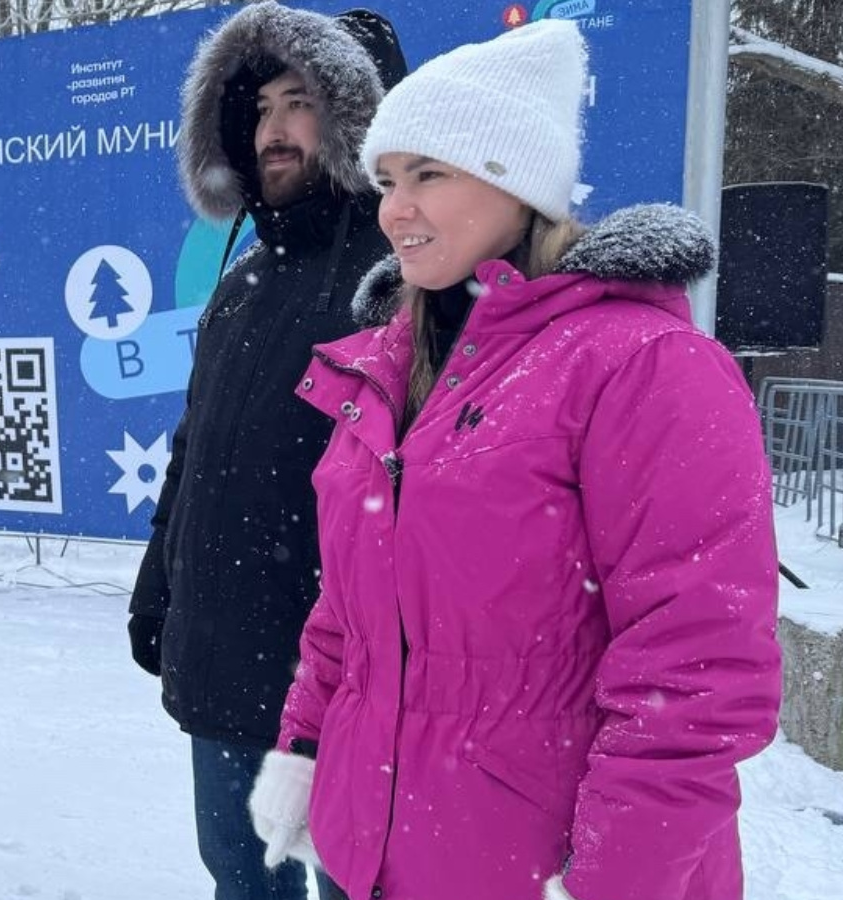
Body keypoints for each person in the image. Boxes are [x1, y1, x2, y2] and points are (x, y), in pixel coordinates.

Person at [247, 20, 782, 900]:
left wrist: (612, 880)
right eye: (387, 181)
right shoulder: (384, 368)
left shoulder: (641, 364)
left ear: (516, 183)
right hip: (367, 852)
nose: (394, 210)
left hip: (533, 872)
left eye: (429, 174)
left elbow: (694, 668)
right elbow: (346, 613)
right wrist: (306, 751)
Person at [126, 5, 404, 899]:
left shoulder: (402, 279)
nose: (273, 131)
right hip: (225, 666)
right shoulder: (240, 280)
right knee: (241, 880)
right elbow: (194, 451)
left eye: (300, 103)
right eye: (260, 110)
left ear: (358, 116)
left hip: (348, 679)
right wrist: (160, 586)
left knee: (360, 883)